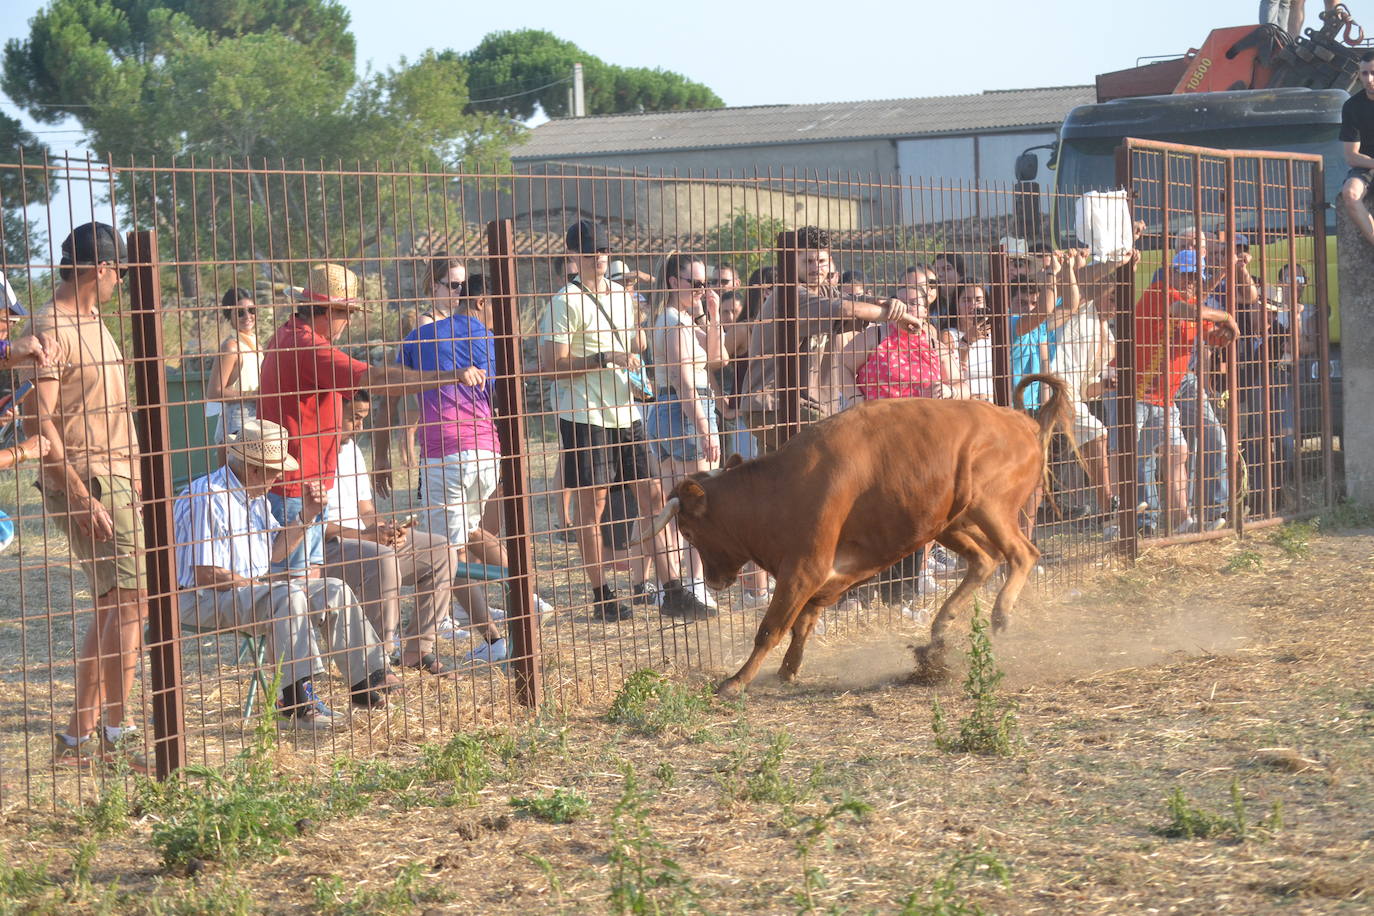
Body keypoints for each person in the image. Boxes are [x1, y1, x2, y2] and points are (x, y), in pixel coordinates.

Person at [257, 261, 489, 578]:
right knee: (296, 588)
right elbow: (377, 378)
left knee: (308, 586)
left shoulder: (286, 336)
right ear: (326, 309)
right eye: (346, 313)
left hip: (304, 489)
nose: (348, 322)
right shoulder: (308, 346)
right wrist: (450, 376)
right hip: (296, 490)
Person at [21, 222, 149, 771]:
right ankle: (117, 736)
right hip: (90, 479)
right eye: (119, 270)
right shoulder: (51, 328)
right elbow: (37, 420)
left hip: (119, 477)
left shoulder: (94, 321)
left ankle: (78, 741)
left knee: (116, 605)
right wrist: (78, 495)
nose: (120, 280)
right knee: (131, 605)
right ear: (101, 268)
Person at [537, 219, 709, 621]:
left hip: (626, 411)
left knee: (652, 497)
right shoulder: (563, 301)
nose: (599, 258)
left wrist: (638, 326)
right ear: (574, 256)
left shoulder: (620, 295)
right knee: (592, 507)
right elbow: (551, 366)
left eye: (603, 251)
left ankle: (672, 589)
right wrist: (604, 359)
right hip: (584, 415)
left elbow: (636, 343)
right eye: (591, 252)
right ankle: (601, 595)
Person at [173, 419, 396, 729]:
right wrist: (258, 585)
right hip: (202, 599)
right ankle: (294, 701)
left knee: (333, 589)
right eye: (274, 470)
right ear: (253, 469)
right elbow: (205, 573)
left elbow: (273, 553)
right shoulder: (208, 497)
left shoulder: (254, 497)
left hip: (243, 592)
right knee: (288, 595)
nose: (279, 476)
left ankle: (366, 683)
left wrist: (307, 515)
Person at [382, 272, 511, 662]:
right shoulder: (491, 341)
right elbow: (500, 400)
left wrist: (381, 453)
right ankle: (524, 594)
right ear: (479, 301)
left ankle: (495, 642)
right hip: (488, 453)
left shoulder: (418, 339)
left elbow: (390, 389)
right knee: (466, 534)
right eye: (496, 306)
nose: (498, 315)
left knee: (443, 555)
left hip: (447, 456)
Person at [324, 391, 495, 674]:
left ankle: (417, 649)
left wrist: (385, 529)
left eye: (363, 419)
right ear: (332, 411)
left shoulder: (351, 450)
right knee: (381, 558)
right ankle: (377, 660)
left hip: (365, 542)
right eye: (354, 418)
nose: (360, 427)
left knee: (441, 550)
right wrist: (368, 537)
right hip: (330, 548)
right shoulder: (310, 452)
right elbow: (311, 526)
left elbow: (366, 510)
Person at [739, 226, 922, 454]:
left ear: (830, 260)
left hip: (800, 405)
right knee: (840, 447)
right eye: (809, 261)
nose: (817, 268)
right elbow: (847, 309)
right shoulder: (789, 294)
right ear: (793, 261)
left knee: (779, 481)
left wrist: (887, 303)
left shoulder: (825, 291)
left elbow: (858, 300)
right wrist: (894, 316)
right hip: (773, 405)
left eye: (822, 261)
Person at [644, 252, 728, 612]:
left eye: (705, 283)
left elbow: (718, 357)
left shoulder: (679, 318)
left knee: (674, 504)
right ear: (673, 283)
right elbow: (683, 381)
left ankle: (675, 586)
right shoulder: (673, 322)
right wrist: (705, 428)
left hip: (673, 412)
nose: (701, 289)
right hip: (683, 412)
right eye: (695, 284)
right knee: (696, 504)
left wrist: (711, 316)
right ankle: (690, 583)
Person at [1133, 250, 1239, 534]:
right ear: (1173, 273)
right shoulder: (1159, 292)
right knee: (1138, 456)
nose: (1192, 281)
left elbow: (1212, 333)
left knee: (1177, 452)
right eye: (1187, 275)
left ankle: (1184, 522)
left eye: (1196, 277)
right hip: (1135, 389)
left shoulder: (1192, 303)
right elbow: (1188, 312)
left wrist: (1224, 334)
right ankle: (1141, 523)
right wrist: (1227, 316)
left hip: (1164, 393)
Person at [205, 287, 264, 444]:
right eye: (240, 312)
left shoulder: (255, 344)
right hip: (235, 423)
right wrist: (254, 396)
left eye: (251, 310)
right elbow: (213, 392)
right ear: (229, 317)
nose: (247, 316)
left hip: (255, 419)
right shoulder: (231, 347)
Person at [1339, 51, 1374, 249]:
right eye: (1365, 73)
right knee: (1350, 194)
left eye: (1373, 73)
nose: (1369, 79)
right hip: (1366, 165)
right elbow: (1351, 157)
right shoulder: (1352, 106)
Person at [951, 283, 995, 401]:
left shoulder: (995, 336)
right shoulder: (948, 335)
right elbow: (955, 371)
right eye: (966, 300)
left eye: (978, 300)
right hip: (967, 405)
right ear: (957, 304)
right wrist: (966, 340)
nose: (973, 305)